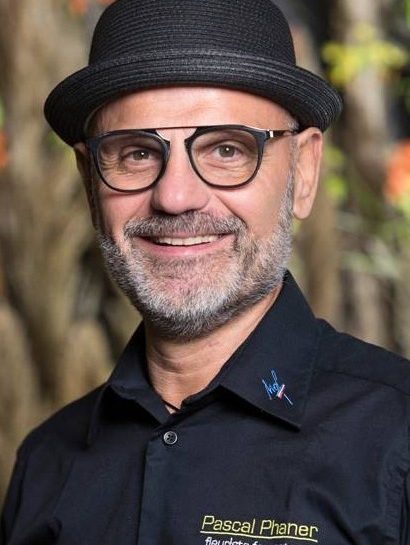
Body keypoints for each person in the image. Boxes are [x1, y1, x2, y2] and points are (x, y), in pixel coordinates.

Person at [1, 1, 410, 544]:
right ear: (89, 182)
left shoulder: (397, 437)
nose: (175, 197)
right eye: (137, 154)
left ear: (305, 171)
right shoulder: (44, 464)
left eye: (226, 149)